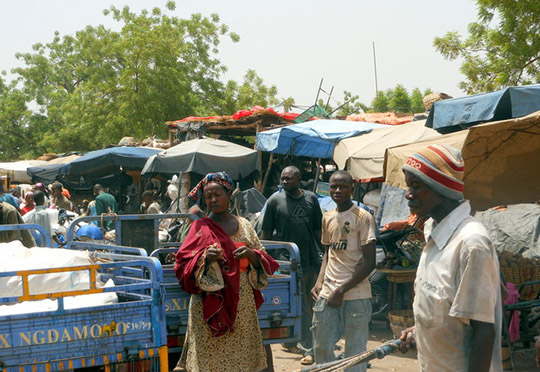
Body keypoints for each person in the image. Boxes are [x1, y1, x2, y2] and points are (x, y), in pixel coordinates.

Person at [399, 144, 502, 372]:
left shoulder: (471, 243)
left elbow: (484, 331)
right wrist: (420, 330)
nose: (408, 194)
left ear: (442, 189)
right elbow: (447, 313)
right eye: (408, 186)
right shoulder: (433, 234)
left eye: (416, 186)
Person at [174, 172, 279, 372]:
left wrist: (251, 254)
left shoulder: (245, 225)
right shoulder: (199, 227)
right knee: (208, 359)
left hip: (242, 303)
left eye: (217, 194)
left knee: (241, 358)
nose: (213, 200)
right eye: (208, 196)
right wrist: (205, 257)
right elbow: (183, 264)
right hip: (208, 302)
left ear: (229, 194)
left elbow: (263, 258)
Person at [310, 170, 376, 372]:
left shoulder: (363, 217)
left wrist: (342, 290)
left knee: (355, 354)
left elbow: (370, 262)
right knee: (321, 348)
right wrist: (319, 282)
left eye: (343, 186)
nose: (337, 190)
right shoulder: (327, 217)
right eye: (333, 186)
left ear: (352, 188)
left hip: (356, 294)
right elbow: (328, 253)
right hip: (328, 292)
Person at [261, 165, 322, 364]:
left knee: (306, 304)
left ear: (299, 179)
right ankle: (294, 341)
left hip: (309, 261)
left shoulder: (311, 199)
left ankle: (308, 348)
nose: (284, 182)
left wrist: (325, 254)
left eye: (288, 179)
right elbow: (267, 235)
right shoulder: (274, 201)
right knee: (289, 303)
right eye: (282, 179)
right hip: (286, 263)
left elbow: (317, 231)